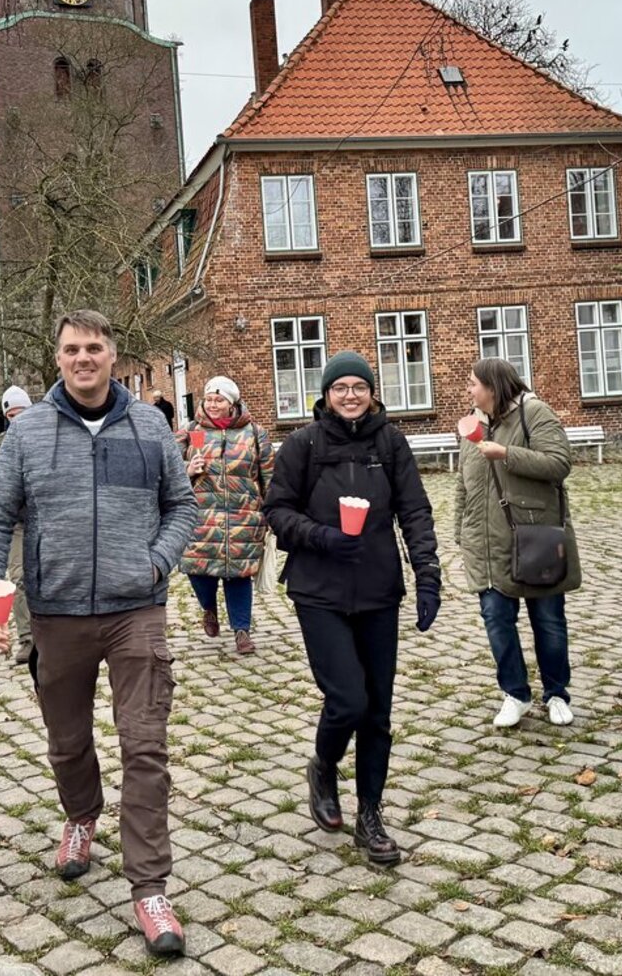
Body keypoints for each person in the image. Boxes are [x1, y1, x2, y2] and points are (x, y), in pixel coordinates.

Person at [0, 310, 196, 958]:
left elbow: (181, 504)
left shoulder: (148, 425)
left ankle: (150, 887)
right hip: (58, 613)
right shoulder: (29, 433)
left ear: (111, 353)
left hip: (137, 611)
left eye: (94, 347)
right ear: (59, 356)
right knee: (68, 743)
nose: (83, 358)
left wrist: (157, 560)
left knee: (145, 745)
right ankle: (80, 816)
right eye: (71, 348)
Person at [263, 350, 441, 866]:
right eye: (339, 387)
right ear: (325, 394)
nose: (349, 396)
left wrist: (427, 576)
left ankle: (370, 815)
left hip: (378, 590)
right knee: (347, 698)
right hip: (318, 590)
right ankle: (323, 765)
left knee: (378, 711)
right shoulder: (305, 444)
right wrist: (320, 536)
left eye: (358, 387)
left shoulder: (390, 443)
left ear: (372, 392)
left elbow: (415, 510)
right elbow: (276, 509)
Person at [455, 358, 581, 728]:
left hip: (533, 537)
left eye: (474, 383)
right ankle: (516, 694)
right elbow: (464, 483)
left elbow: (559, 463)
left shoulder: (534, 413)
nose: (469, 389)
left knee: (549, 622)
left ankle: (556, 693)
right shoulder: (473, 424)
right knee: (496, 620)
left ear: (493, 386)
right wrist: (460, 533)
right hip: (485, 544)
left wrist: (507, 454)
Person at [176, 376, 274, 654]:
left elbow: (269, 475)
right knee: (198, 571)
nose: (213, 404)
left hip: (244, 516)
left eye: (219, 399)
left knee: (238, 575)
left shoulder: (255, 434)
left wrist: (270, 511)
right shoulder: (191, 431)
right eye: (208, 399)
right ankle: (208, 608)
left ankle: (241, 631)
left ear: (232, 403)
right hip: (201, 516)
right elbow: (167, 467)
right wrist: (187, 468)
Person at [0, 385, 34, 666]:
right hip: (16, 525)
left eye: (21, 413)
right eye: (11, 414)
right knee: (20, 578)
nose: (16, 419)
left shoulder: (45, 438)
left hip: (44, 523)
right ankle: (27, 639)